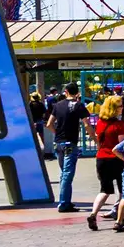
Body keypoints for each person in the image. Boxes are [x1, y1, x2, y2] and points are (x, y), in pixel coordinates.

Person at [85, 95, 124, 229]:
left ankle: (93, 214)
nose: (122, 108)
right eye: (120, 106)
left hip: (101, 158)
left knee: (105, 190)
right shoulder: (119, 125)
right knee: (123, 190)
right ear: (114, 108)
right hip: (117, 159)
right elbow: (122, 145)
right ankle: (122, 219)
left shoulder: (100, 122)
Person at [46, 83, 87, 212]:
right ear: (77, 92)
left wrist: (57, 133)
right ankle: (64, 203)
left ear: (66, 91)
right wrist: (96, 139)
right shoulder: (78, 105)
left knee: (63, 173)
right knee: (67, 174)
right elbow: (87, 124)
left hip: (59, 143)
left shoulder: (57, 106)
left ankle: (65, 201)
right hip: (70, 143)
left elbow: (49, 124)